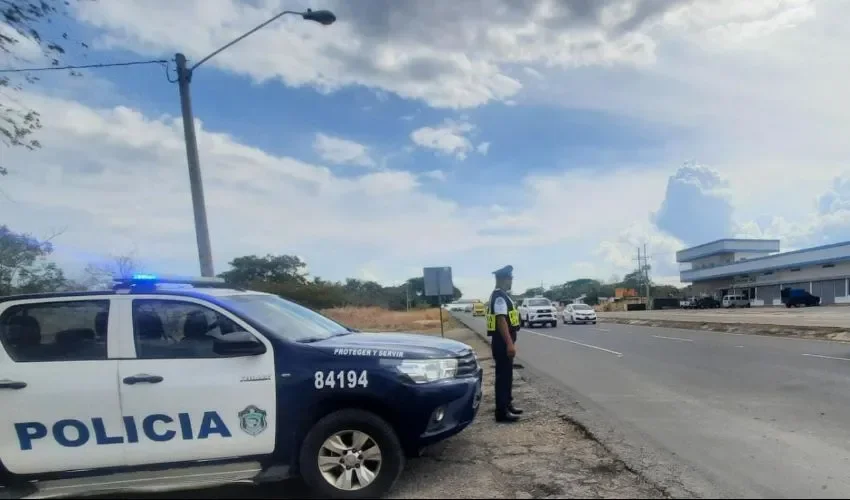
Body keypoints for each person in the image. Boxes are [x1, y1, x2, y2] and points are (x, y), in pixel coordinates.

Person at [485, 265, 523, 423]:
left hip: (504, 340)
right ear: (502, 279)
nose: (511, 281)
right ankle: (501, 412)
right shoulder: (499, 297)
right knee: (503, 377)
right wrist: (509, 344)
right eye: (509, 278)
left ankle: (507, 404)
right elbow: (501, 321)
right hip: (502, 342)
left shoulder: (503, 296)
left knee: (508, 375)